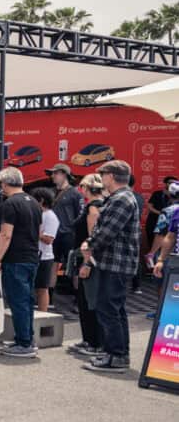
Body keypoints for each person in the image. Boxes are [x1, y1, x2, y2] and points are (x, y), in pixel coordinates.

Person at [81, 160, 140, 373]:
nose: (101, 178)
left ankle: (116, 356)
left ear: (112, 176)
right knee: (115, 309)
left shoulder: (121, 199)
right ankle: (116, 353)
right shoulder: (120, 198)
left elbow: (107, 231)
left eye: (103, 174)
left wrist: (89, 245)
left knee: (108, 309)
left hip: (116, 264)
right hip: (116, 263)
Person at [0, 167, 43, 358]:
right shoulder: (35, 203)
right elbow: (37, 231)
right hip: (31, 256)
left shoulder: (9, 204)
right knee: (27, 300)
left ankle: (24, 343)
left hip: (15, 259)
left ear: (4, 183)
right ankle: (26, 338)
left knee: (18, 301)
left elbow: (6, 234)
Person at [68, 173, 106, 357]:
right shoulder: (97, 205)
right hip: (86, 257)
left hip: (88, 259)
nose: (80, 190)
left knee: (88, 300)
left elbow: (93, 238)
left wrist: (86, 263)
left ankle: (93, 342)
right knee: (85, 299)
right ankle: (89, 339)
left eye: (82, 187)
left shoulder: (93, 208)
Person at [45, 163, 83, 270]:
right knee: (52, 262)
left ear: (64, 174)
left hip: (68, 234)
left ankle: (76, 287)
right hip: (52, 235)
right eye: (52, 173)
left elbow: (80, 214)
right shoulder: (50, 192)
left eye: (55, 173)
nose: (52, 176)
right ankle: (51, 287)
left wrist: (74, 231)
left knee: (73, 264)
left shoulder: (75, 193)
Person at [31, 188, 59, 313]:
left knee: (42, 288)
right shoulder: (39, 214)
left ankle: (43, 313)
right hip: (34, 254)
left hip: (44, 257)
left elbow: (49, 239)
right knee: (35, 287)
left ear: (41, 200)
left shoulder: (50, 216)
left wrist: (36, 233)